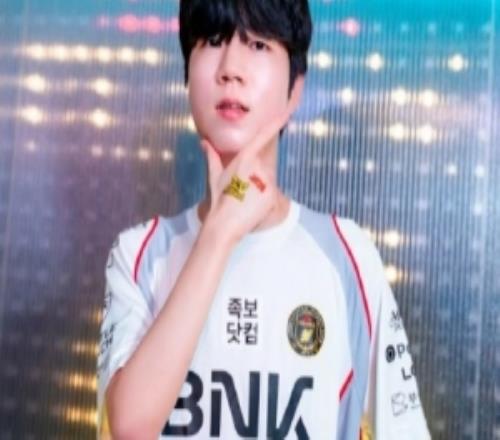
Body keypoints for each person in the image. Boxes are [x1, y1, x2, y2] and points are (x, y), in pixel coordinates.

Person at [97, 0, 431, 438]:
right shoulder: (141, 254)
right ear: (186, 75)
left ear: (295, 88)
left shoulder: (346, 256)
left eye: (257, 44)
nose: (230, 69)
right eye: (212, 40)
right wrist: (218, 235)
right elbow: (129, 428)